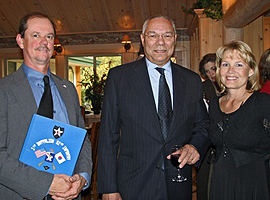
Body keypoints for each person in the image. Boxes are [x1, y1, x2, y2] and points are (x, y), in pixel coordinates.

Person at [97, 14, 210, 200]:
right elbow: (108, 136)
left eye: (167, 35)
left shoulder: (191, 80)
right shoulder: (119, 78)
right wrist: (108, 187)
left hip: (178, 184)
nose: (161, 42)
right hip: (134, 185)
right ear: (142, 39)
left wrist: (194, 146)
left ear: (174, 39)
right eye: (153, 35)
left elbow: (203, 125)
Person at [0, 12, 92, 199]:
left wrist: (82, 178)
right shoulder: (4, 90)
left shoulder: (68, 90)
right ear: (20, 40)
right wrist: (46, 183)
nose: (44, 42)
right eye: (36, 35)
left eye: (49, 36)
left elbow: (82, 141)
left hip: (69, 194)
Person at [208, 40, 270, 200]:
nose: (231, 71)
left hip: (255, 184)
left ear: (250, 71)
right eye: (225, 64)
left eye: (239, 65)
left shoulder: (262, 102)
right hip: (221, 182)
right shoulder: (214, 104)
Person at [197, 53, 220, 200]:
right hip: (207, 142)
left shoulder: (233, 85)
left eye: (213, 69)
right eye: (207, 71)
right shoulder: (203, 88)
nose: (211, 74)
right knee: (205, 185)